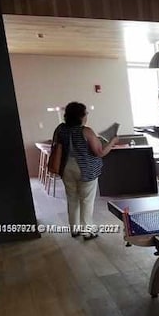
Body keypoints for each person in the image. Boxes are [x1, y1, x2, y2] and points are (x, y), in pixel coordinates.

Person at [53, 102, 119, 240]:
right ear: (81, 116)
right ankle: (87, 231)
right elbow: (99, 152)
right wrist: (112, 142)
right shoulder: (86, 131)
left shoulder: (61, 129)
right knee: (86, 200)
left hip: (66, 168)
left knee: (72, 198)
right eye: (85, 113)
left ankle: (74, 229)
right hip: (85, 169)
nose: (87, 115)